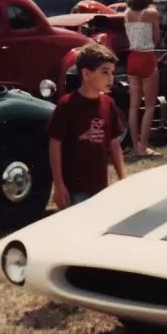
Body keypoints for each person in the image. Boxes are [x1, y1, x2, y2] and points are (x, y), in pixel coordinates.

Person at [47, 43, 126, 209]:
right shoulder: (67, 105)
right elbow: (55, 145)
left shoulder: (109, 103)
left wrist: (123, 180)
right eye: (105, 72)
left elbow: (114, 144)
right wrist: (59, 185)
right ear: (86, 74)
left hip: (100, 186)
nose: (111, 78)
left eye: (112, 72)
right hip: (74, 189)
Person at [123, 0, 161, 158]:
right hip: (147, 58)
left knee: (133, 105)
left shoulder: (126, 14)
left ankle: (134, 145)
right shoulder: (151, 13)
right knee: (150, 106)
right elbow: (157, 37)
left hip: (133, 58)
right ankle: (143, 146)